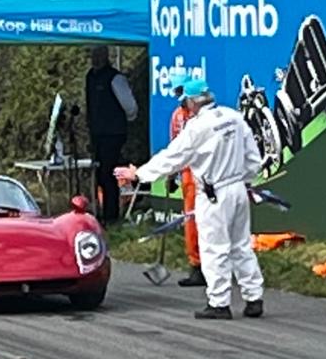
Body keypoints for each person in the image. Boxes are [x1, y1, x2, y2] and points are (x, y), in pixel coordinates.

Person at [116, 78, 265, 320]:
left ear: (191, 101)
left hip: (213, 193)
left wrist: (138, 174)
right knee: (241, 246)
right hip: (238, 188)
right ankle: (253, 297)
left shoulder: (197, 128)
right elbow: (253, 158)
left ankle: (219, 303)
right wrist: (245, 181)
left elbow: (172, 157)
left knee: (214, 248)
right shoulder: (234, 117)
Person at [84, 46, 138, 224]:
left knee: (109, 174)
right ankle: (101, 212)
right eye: (94, 55)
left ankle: (111, 215)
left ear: (106, 56)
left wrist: (120, 122)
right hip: (97, 134)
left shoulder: (116, 78)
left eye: (99, 55)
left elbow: (131, 107)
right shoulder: (90, 76)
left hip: (113, 134)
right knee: (100, 175)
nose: (96, 59)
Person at [167, 85, 204, 287]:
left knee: (208, 222)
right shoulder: (177, 116)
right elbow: (174, 147)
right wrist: (171, 174)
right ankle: (196, 265)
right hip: (187, 175)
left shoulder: (202, 117)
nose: (180, 99)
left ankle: (215, 266)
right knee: (191, 221)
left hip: (206, 172)